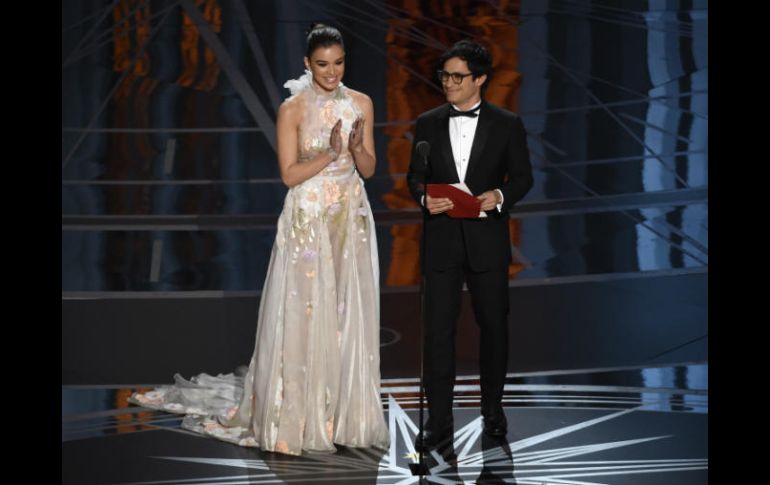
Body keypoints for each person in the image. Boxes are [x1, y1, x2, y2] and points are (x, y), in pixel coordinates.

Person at [129, 24, 389, 456]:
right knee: (306, 311)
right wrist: (329, 151)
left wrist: (357, 147)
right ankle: (298, 412)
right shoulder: (293, 109)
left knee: (345, 311)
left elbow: (370, 168)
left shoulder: (361, 102)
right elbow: (289, 175)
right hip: (308, 219)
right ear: (307, 64)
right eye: (322, 64)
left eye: (338, 63)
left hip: (350, 217)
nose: (332, 72)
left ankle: (342, 412)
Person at [406, 39, 533, 451]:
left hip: (486, 241)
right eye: (445, 75)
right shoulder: (426, 122)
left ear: (480, 79)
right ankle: (438, 418)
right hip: (441, 242)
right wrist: (425, 198)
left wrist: (499, 196)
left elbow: (524, 178)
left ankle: (492, 409)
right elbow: (415, 176)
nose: (449, 83)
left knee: (493, 329)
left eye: (458, 76)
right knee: (437, 333)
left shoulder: (506, 123)